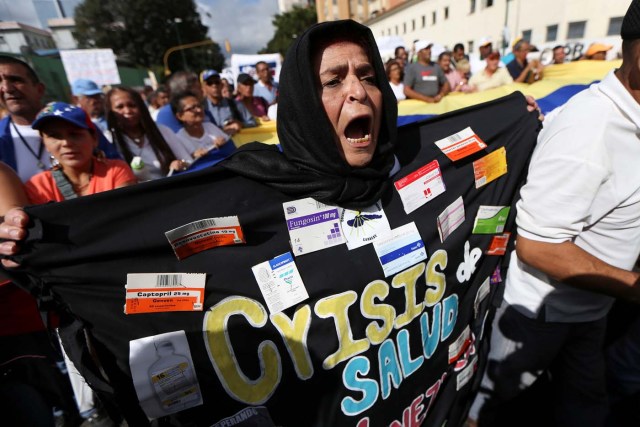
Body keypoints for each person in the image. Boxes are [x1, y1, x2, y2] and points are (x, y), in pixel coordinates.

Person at [468, 2, 640, 426]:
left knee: (585, 404)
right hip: (538, 315)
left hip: (589, 311)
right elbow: (537, 246)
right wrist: (635, 287)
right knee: (484, 407)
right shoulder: (591, 131)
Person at [26, 102, 136, 201]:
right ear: (45, 144)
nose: (66, 143)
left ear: (94, 139)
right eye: (54, 136)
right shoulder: (37, 187)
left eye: (75, 134)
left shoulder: (116, 171)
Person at [105, 86, 192, 181]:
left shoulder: (162, 131)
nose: (127, 111)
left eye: (132, 105)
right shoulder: (109, 140)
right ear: (111, 112)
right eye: (120, 107)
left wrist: (180, 164)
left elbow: (188, 162)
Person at [171, 91, 235, 160]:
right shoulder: (179, 139)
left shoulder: (210, 126)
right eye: (192, 108)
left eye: (199, 106)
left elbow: (231, 147)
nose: (199, 110)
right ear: (180, 116)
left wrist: (223, 142)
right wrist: (194, 157)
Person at [201, 69, 257, 136]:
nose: (214, 85)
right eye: (210, 83)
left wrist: (240, 124)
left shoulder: (234, 104)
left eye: (216, 82)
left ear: (221, 85)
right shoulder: (201, 108)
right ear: (204, 87)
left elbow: (252, 122)